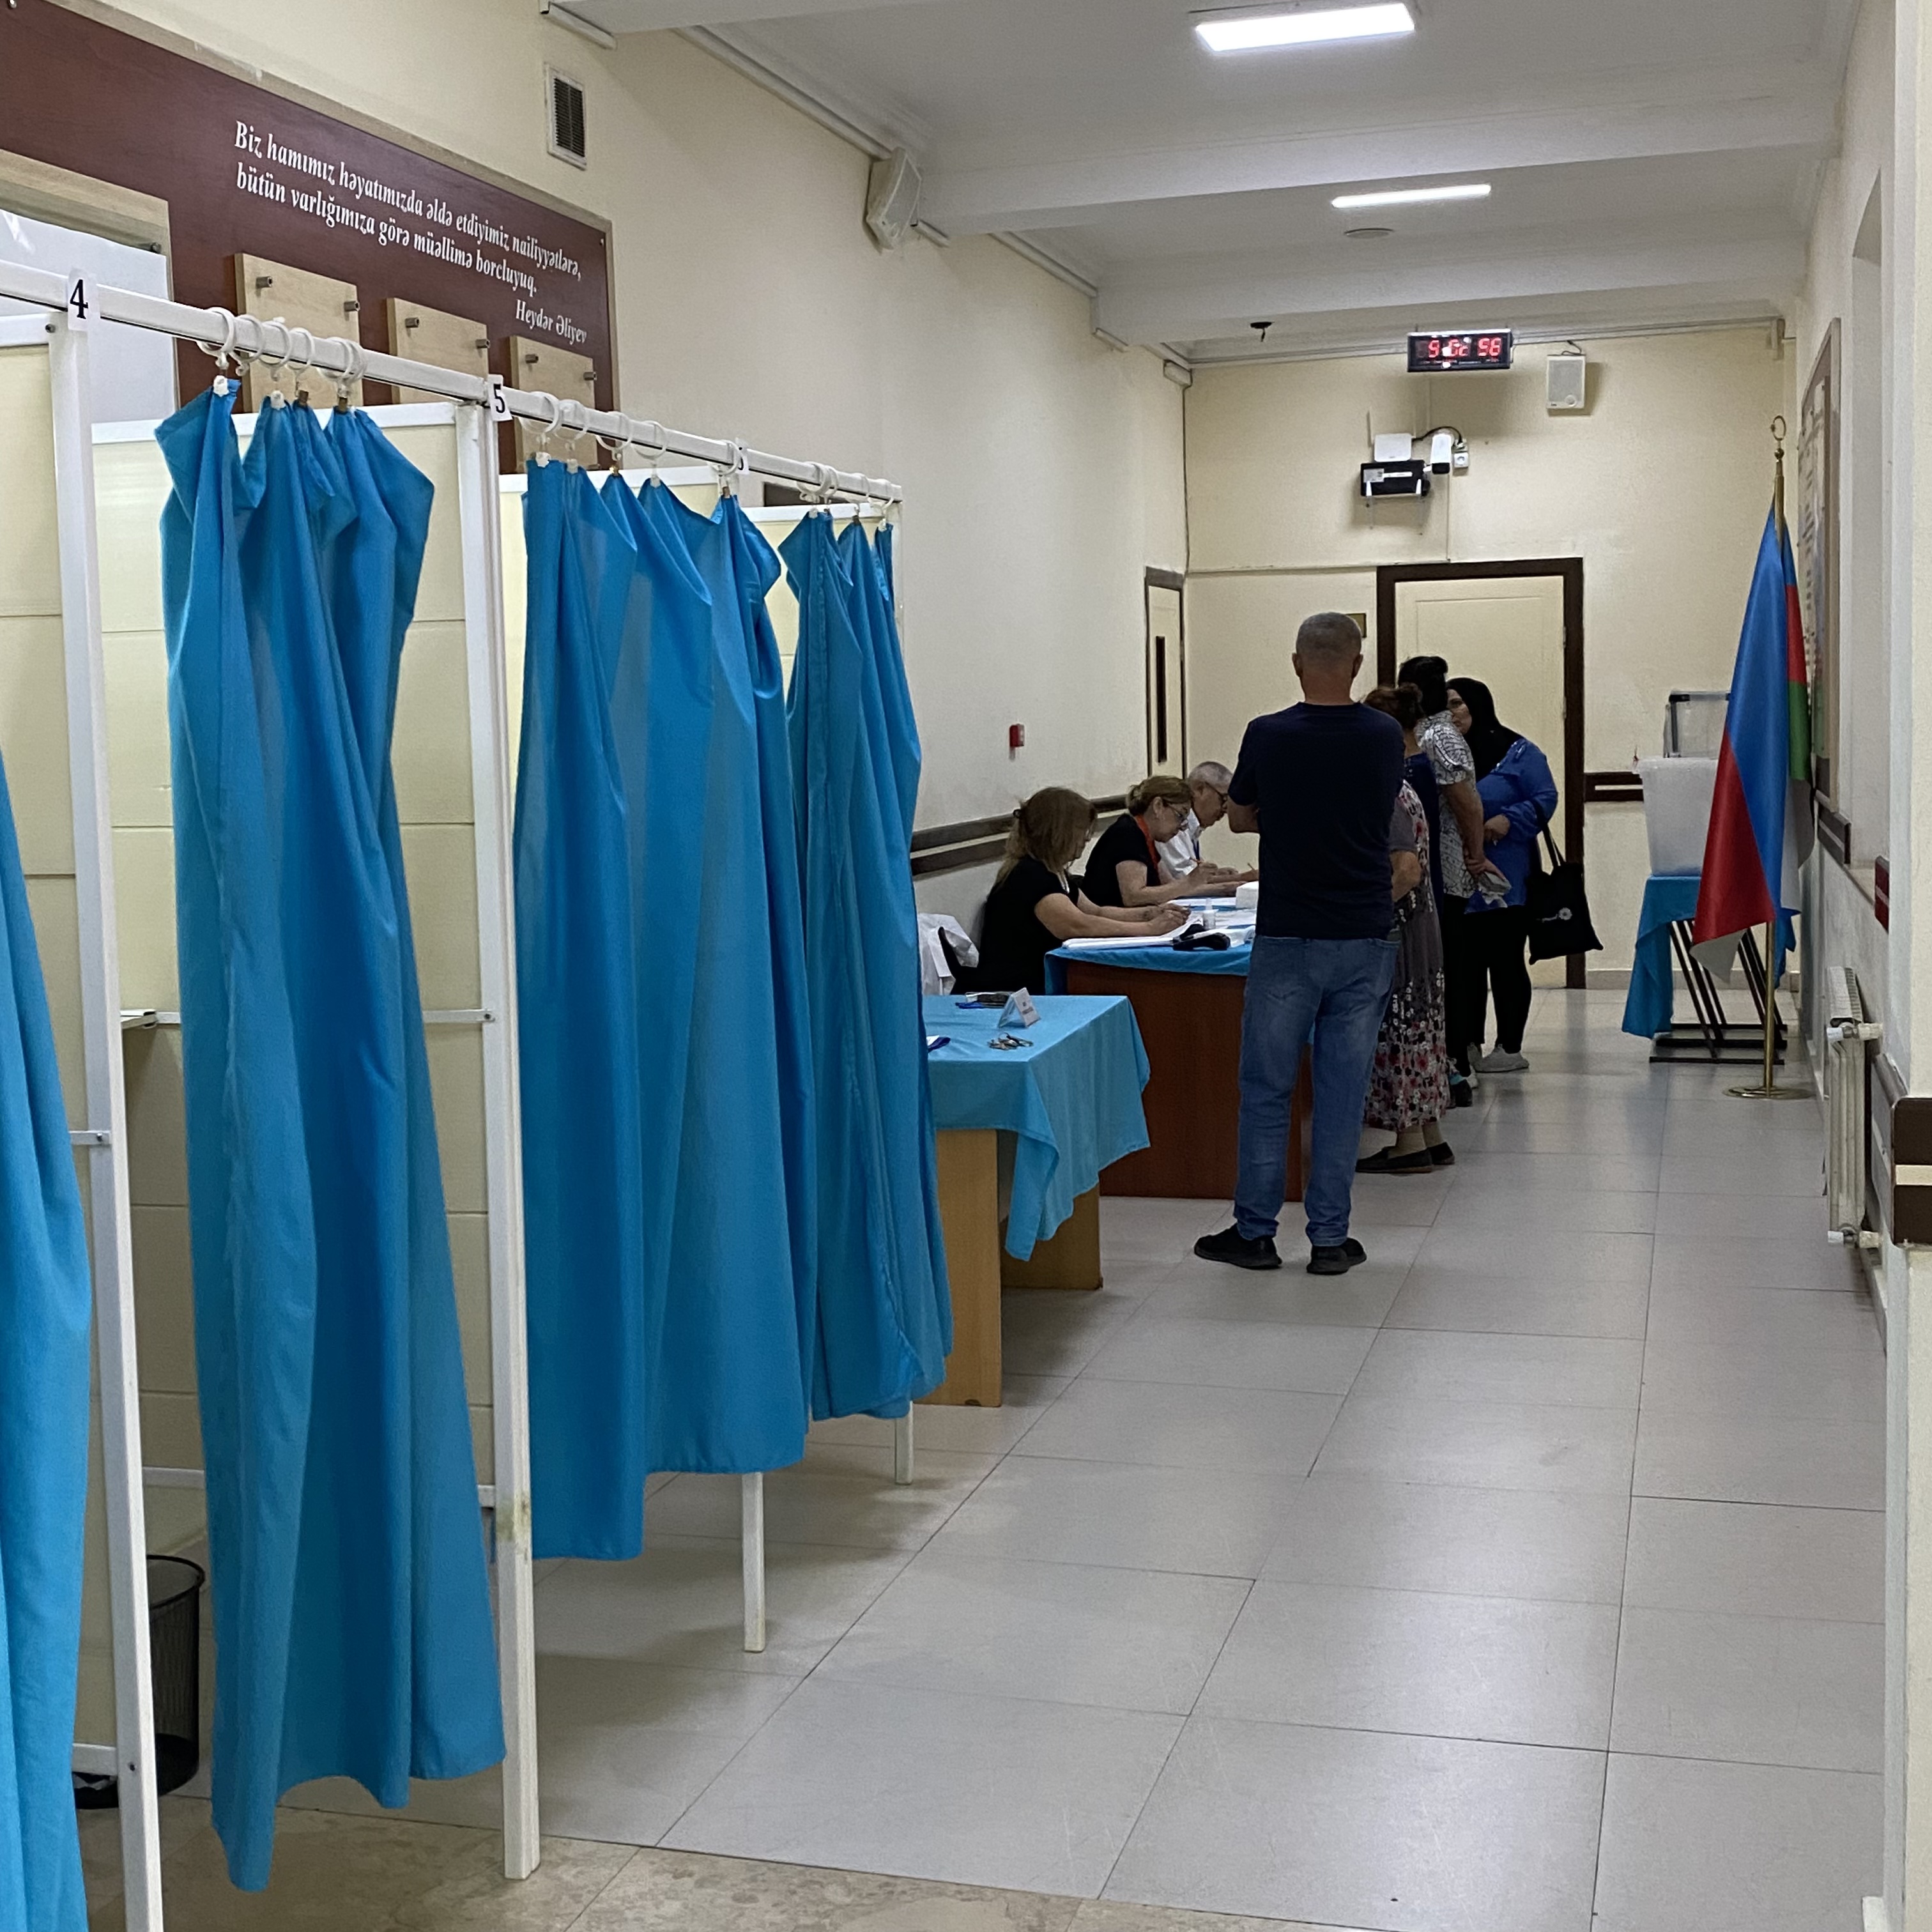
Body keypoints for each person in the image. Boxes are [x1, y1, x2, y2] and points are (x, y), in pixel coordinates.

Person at [1195, 612, 1415, 1277]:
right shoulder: (1383, 736)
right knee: (1343, 1092)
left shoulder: (1268, 733)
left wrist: (1283, 815)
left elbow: (1239, 816)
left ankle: (1256, 1232)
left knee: (1268, 1087)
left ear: (1296, 664)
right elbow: (1376, 808)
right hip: (1364, 933)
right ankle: (1330, 1239)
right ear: (1357, 664)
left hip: (1289, 931)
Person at [1398, 654, 1505, 1107]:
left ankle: (1454, 1061)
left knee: (1448, 966)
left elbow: (1466, 802)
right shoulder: (1430, 734)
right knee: (1442, 966)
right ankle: (1445, 1060)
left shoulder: (1434, 736)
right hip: (1432, 866)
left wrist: (1475, 855)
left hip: (1441, 866)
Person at [1356, 686, 1452, 1172]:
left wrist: (1368, 911)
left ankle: (1409, 1142)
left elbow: (1406, 871)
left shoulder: (1385, 793)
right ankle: (1430, 1134)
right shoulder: (1406, 787)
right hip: (1423, 923)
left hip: (1399, 927)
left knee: (1399, 1029)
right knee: (1423, 1028)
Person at [970, 786, 1186, 993]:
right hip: (1018, 989)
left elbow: (1096, 911)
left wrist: (1151, 913)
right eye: (1082, 830)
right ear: (1059, 832)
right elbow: (1077, 924)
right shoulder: (1029, 875)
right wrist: (1148, 929)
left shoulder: (1055, 872)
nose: (1086, 838)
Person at [1448, 677, 1558, 1075]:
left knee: (1506, 960)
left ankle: (1510, 1046)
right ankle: (1467, 1043)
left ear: (1478, 705)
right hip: (1459, 878)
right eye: (1444, 706)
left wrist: (1509, 821)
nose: (1451, 713)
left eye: (1457, 703)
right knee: (1465, 964)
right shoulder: (1445, 756)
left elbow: (1546, 798)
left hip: (1507, 878)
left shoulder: (1519, 752)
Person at [1084, 774, 1245, 907]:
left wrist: (1226, 889)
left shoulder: (1148, 838)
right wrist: (1190, 881)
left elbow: (1169, 887)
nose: (1182, 827)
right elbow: (1134, 897)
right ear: (1158, 806)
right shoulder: (1127, 834)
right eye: (1180, 816)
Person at [1156, 762, 1250, 885]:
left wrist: (1217, 874)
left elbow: (1194, 871)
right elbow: (1185, 881)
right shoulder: (1173, 823)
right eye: (1223, 799)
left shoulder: (1194, 828)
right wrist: (1243, 878)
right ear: (1200, 789)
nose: (1226, 808)